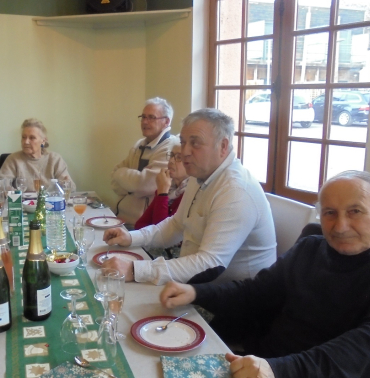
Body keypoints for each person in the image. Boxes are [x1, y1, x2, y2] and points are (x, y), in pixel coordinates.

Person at [160, 171, 370, 378]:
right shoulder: (310, 248)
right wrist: (195, 292)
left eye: (355, 211)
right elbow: (255, 292)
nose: (340, 226)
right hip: (262, 363)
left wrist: (278, 369)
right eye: (330, 213)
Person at [103, 108, 277, 284]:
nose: (185, 151)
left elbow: (210, 264)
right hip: (198, 285)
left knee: (114, 291)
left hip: (234, 296)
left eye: (195, 143)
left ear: (223, 146)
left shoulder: (235, 191)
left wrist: (135, 270)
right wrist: (131, 237)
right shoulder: (200, 174)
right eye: (183, 142)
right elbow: (176, 225)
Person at [111, 97, 180, 225]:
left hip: (142, 225)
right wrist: (133, 186)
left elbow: (145, 185)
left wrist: (125, 179)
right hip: (119, 217)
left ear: (166, 121)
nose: (145, 122)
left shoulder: (170, 147)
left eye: (151, 117)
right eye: (143, 117)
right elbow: (114, 181)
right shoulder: (139, 145)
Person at [0, 118, 75, 192]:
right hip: (22, 202)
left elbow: (71, 188)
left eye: (32, 138)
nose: (26, 142)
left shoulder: (55, 159)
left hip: (49, 202)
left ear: (43, 141)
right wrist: (10, 191)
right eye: (24, 137)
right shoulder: (13, 159)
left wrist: (65, 184)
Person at [135, 143, 190, 230]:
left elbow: (163, 232)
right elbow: (140, 225)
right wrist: (162, 192)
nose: (171, 161)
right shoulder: (168, 187)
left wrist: (162, 193)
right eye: (171, 155)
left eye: (179, 157)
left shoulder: (190, 194)